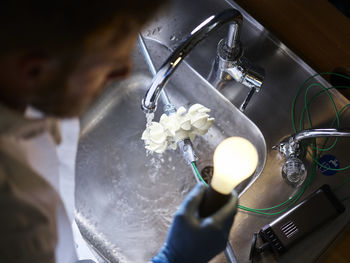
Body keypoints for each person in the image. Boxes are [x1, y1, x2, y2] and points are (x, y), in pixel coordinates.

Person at [0, 1, 238, 262]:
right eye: (108, 60)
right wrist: (175, 258)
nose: (125, 69)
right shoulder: (18, 223)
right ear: (34, 71)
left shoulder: (35, 93)